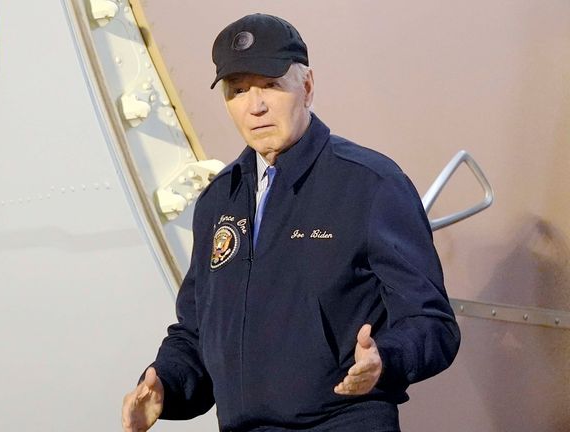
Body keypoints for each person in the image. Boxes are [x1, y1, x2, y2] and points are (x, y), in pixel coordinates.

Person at [122, 13, 460, 432]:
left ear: (308, 86)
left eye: (270, 85)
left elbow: (432, 324)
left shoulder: (370, 184)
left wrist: (384, 360)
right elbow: (196, 333)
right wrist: (164, 385)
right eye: (238, 90)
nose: (255, 105)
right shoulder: (217, 201)